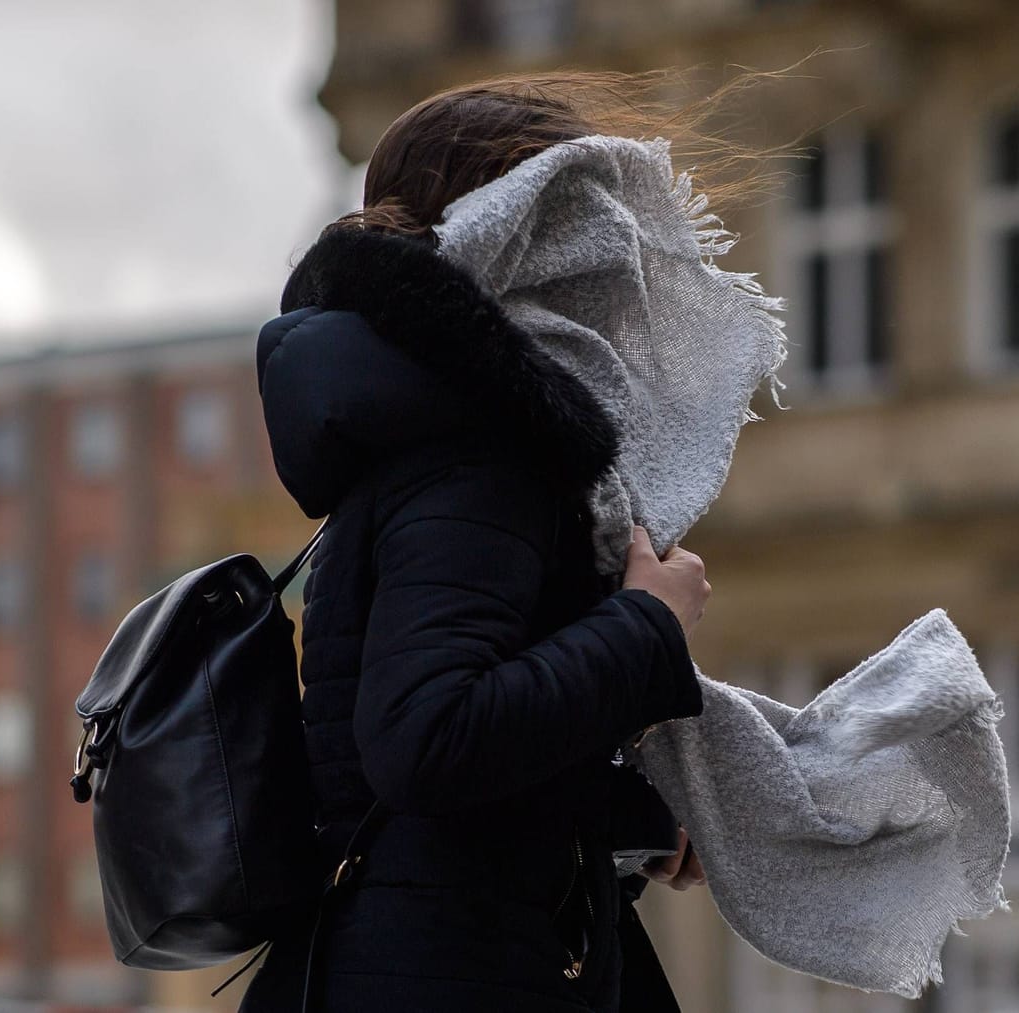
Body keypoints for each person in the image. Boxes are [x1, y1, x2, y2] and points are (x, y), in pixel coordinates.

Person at [238, 77, 736, 1012]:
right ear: (526, 229)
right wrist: (647, 624)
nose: (625, 267)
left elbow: (440, 801)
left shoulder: (433, 428)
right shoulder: (481, 445)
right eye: (592, 218)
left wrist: (639, 818)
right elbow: (428, 740)